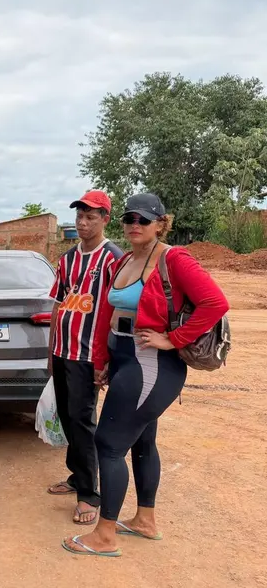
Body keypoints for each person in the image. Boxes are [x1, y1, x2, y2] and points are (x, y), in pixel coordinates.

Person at [62, 193, 229, 557]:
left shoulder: (174, 259)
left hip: (151, 364)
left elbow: (215, 303)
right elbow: (107, 314)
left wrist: (174, 338)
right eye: (129, 219)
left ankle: (105, 537)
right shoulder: (124, 260)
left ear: (160, 224)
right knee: (141, 441)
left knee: (108, 445)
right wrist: (103, 359)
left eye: (143, 220)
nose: (135, 225)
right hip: (124, 359)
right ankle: (145, 521)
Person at [46, 190, 123, 525]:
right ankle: (77, 476)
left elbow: (118, 310)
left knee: (82, 422)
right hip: (62, 352)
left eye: (90, 217)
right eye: (79, 216)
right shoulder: (66, 259)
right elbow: (58, 305)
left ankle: (89, 495)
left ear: (105, 219)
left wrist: (107, 359)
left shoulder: (113, 259)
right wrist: (50, 352)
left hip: (88, 355)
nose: (82, 222)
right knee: (68, 418)